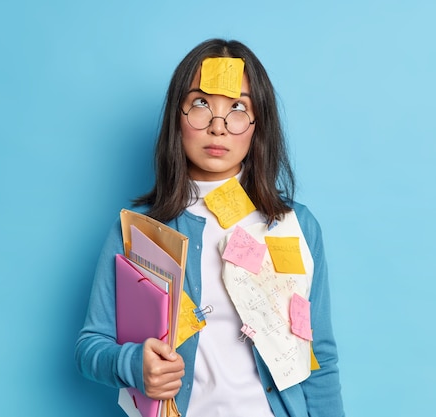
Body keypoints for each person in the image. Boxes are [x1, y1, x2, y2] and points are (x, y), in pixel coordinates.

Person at [75, 38, 344, 417]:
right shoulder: (139, 231)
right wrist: (134, 364)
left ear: (258, 124)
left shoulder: (295, 226)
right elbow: (90, 346)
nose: (218, 127)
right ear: (177, 117)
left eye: (237, 108)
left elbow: (321, 358)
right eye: (201, 104)